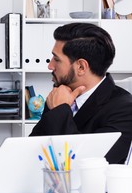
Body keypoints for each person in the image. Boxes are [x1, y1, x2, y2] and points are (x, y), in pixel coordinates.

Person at [30, 22, 132, 164]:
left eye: (56, 59)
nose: (50, 66)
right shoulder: (60, 95)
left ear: (81, 67)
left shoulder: (124, 109)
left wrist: (60, 110)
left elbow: (85, 164)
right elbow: (32, 150)